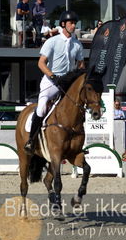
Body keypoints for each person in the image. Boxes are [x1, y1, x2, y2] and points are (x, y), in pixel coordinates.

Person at [24, 10, 85, 154]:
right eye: (71, 23)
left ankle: (76, 142)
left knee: (78, 108)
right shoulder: (52, 41)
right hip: (51, 81)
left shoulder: (77, 44)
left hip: (68, 82)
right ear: (63, 24)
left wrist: (79, 77)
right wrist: (52, 76)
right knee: (42, 107)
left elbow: (81, 65)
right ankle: (31, 141)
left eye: (75, 23)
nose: (73, 26)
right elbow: (41, 63)